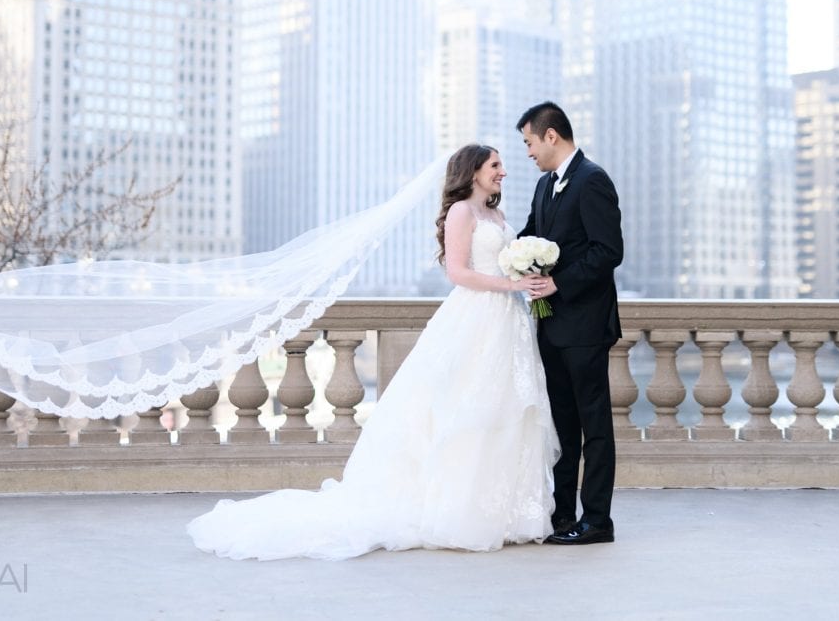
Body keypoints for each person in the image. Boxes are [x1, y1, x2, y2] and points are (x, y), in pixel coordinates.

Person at [187, 144, 560, 560]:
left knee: (506, 410)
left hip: (509, 323)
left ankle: (506, 513)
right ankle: (459, 512)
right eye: (495, 165)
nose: (503, 172)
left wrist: (525, 273)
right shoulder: (462, 213)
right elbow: (457, 272)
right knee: (468, 409)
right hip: (477, 318)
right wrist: (513, 285)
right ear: (473, 172)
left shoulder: (496, 215)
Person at [517, 102, 624, 546]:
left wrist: (558, 283)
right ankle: (562, 515)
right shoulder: (544, 186)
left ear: (551, 136)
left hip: (585, 327)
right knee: (561, 426)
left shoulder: (593, 180)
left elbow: (608, 251)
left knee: (594, 426)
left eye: (528, 142)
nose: (527, 152)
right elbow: (527, 236)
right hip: (552, 329)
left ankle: (597, 520)